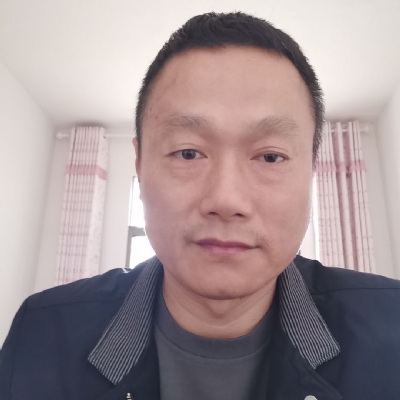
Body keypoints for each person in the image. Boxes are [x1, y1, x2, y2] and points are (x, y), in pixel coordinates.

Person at [1, 11, 400, 400]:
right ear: (139, 166)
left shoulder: (391, 328)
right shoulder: (42, 334)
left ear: (311, 170)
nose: (226, 200)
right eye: (188, 152)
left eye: (270, 156)